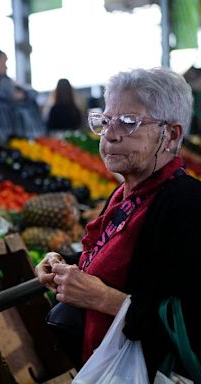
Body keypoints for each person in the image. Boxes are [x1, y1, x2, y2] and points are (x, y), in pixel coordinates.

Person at [35, 67, 201, 380]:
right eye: (106, 120)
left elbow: (191, 318)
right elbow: (122, 264)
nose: (110, 134)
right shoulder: (128, 192)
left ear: (172, 135)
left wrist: (103, 299)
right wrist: (62, 263)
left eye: (128, 122)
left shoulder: (187, 204)